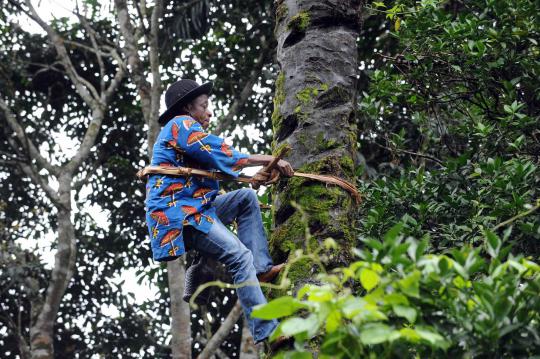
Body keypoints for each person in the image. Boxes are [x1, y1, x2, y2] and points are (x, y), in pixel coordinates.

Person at [145, 79, 294, 344]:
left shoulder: (182, 134)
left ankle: (260, 269)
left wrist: (253, 177)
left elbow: (216, 172)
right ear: (189, 108)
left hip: (199, 208)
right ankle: (266, 330)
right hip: (182, 216)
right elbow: (222, 154)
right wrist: (270, 160)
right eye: (204, 106)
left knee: (246, 198)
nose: (209, 112)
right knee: (238, 257)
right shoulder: (181, 124)